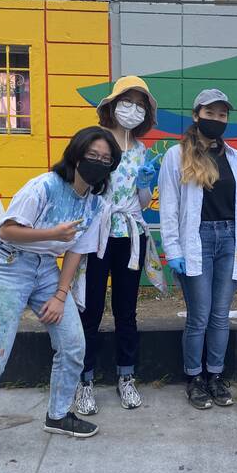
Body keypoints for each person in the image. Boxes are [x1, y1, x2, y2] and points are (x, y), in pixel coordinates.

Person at [0, 126, 122, 472]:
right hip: (9, 263)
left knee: (74, 344)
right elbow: (7, 230)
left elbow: (75, 250)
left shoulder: (96, 204)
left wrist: (61, 295)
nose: (98, 164)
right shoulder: (43, 187)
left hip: (46, 270)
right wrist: (52, 233)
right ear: (76, 156)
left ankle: (58, 415)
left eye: (106, 160)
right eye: (93, 157)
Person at [158, 89, 237, 410]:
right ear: (196, 115)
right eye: (210, 113)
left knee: (220, 315)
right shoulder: (177, 156)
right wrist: (173, 249)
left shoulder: (235, 157)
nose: (216, 120)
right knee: (199, 316)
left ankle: (215, 375)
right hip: (197, 240)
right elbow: (169, 208)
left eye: (222, 115)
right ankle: (194, 378)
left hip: (230, 240)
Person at [75, 76, 163, 415]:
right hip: (96, 236)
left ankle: (126, 377)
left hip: (131, 236)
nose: (134, 109)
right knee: (91, 310)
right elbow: (78, 187)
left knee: (127, 311)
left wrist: (145, 184)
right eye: (128, 101)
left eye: (141, 104)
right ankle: (84, 381)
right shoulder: (96, 143)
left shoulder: (142, 151)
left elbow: (144, 202)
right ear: (112, 105)